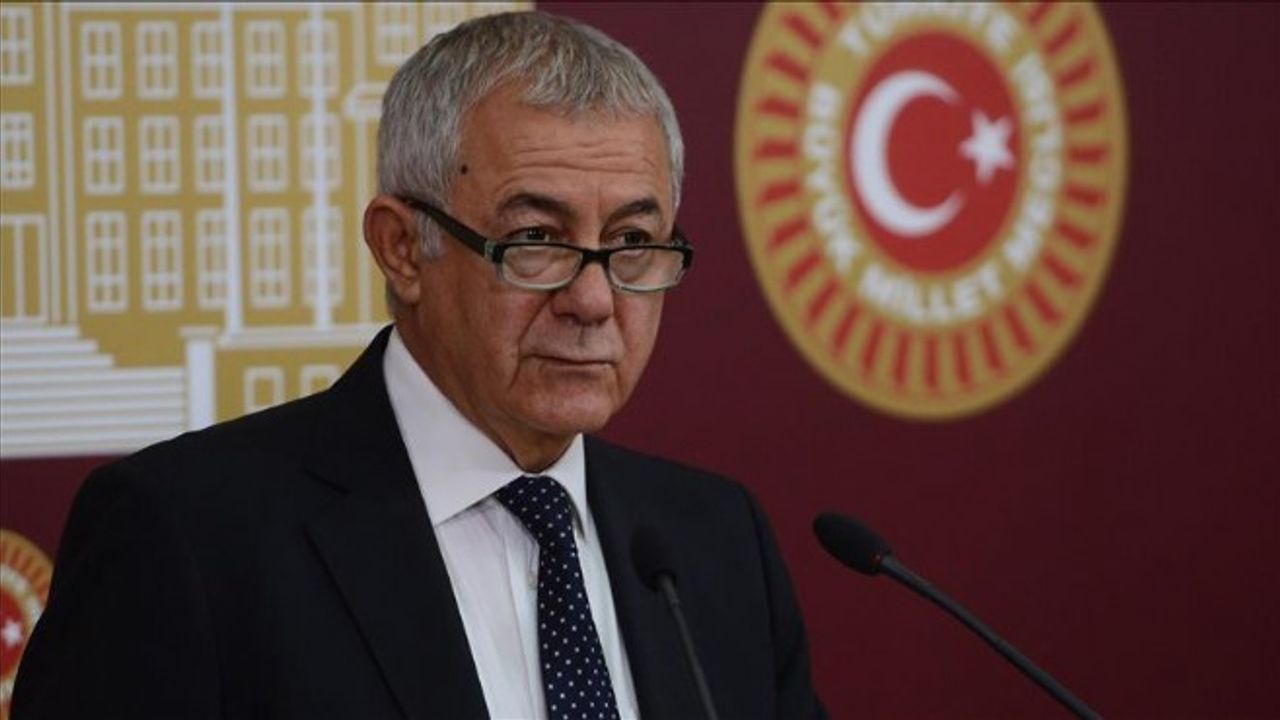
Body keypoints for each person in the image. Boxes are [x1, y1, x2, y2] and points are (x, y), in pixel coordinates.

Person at [13, 12, 824, 720]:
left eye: (633, 243)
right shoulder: (187, 537)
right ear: (402, 248)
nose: (593, 299)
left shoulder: (715, 542)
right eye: (536, 240)